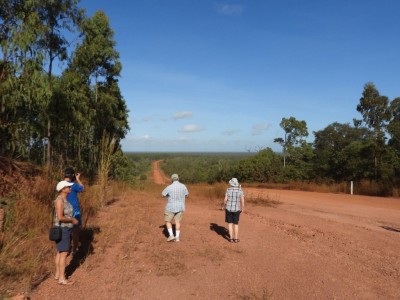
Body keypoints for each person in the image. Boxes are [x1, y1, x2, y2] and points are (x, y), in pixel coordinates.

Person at [53, 180, 79, 285]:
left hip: (64, 229)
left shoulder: (64, 199)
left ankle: (58, 275)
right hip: (63, 229)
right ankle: (62, 279)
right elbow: (60, 217)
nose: (70, 188)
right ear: (63, 189)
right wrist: (72, 220)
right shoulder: (60, 200)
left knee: (60, 252)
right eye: (68, 187)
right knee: (63, 253)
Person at [161, 174, 189, 242]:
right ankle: (177, 238)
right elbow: (187, 195)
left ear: (171, 179)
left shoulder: (169, 187)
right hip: (180, 207)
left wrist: (168, 195)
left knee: (168, 221)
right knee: (177, 222)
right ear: (178, 179)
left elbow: (163, 194)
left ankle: (171, 235)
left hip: (170, 207)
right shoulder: (183, 186)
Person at [64, 167, 84, 254]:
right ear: (72, 175)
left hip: (64, 210)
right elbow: (82, 188)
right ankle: (74, 249)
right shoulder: (74, 185)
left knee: (66, 230)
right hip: (75, 211)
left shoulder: (61, 185)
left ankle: (65, 248)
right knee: (75, 231)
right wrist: (78, 179)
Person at [223, 178, 244, 243]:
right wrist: (242, 208)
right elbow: (242, 201)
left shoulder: (228, 190)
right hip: (237, 209)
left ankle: (231, 238)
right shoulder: (240, 190)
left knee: (230, 224)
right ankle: (236, 238)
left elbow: (225, 200)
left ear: (231, 183)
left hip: (228, 209)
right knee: (236, 224)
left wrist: (223, 206)